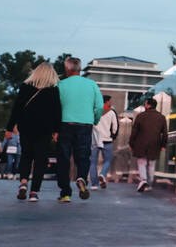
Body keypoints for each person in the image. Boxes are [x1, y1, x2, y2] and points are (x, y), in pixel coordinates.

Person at [7, 62, 62, 202]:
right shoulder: (53, 90)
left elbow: (17, 108)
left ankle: (23, 182)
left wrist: (9, 127)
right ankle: (34, 192)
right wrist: (56, 131)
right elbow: (57, 113)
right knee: (40, 160)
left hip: (26, 128)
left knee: (26, 155)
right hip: (44, 130)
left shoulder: (25, 88)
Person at [56, 57, 104, 201]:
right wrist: (94, 119)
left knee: (64, 158)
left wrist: (54, 129)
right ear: (80, 69)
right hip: (85, 125)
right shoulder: (91, 84)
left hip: (65, 124)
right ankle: (82, 178)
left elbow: (55, 108)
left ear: (66, 69)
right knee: (83, 156)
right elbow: (100, 106)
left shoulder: (60, 85)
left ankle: (65, 193)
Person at [129, 98, 167, 193]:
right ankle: (149, 184)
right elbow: (165, 133)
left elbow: (134, 132)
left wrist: (131, 143)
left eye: (145, 104)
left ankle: (143, 180)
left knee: (142, 162)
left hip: (141, 143)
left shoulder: (140, 116)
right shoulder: (161, 117)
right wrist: (163, 144)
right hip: (155, 144)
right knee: (151, 164)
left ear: (148, 105)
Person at [88, 95, 119, 189]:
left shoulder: (94, 111)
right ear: (107, 102)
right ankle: (102, 174)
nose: (111, 103)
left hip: (95, 140)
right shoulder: (112, 112)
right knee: (108, 160)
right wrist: (113, 136)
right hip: (107, 140)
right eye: (110, 101)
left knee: (93, 162)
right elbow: (115, 127)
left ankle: (94, 185)